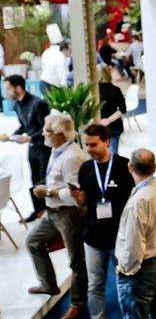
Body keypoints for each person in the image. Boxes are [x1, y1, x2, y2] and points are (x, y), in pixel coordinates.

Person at [25, 112, 88, 319]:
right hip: (53, 213)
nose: (43, 133)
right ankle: (49, 284)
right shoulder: (57, 150)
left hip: (69, 214)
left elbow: (75, 195)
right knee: (32, 241)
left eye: (48, 130)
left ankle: (78, 303)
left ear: (61, 134)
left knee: (76, 261)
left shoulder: (73, 157)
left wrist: (48, 192)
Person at [76, 124, 134, 318]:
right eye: (86, 145)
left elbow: (134, 202)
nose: (89, 149)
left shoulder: (124, 166)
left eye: (93, 145)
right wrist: (79, 200)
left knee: (127, 281)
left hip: (120, 237)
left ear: (107, 141)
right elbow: (84, 205)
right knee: (95, 285)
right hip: (93, 238)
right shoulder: (85, 168)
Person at [115, 149, 156, 319]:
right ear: (155, 166)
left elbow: (133, 242)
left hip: (145, 267)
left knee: (137, 314)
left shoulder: (139, 201)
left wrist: (127, 270)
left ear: (130, 167)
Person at [0, 75, 51, 222]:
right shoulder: (17, 105)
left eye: (8, 89)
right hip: (32, 148)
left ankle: (49, 213)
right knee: (34, 179)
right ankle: (38, 211)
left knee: (44, 180)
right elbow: (24, 125)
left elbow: (45, 128)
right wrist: (11, 136)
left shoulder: (38, 104)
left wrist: (30, 138)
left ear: (18, 88)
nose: (6, 92)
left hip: (44, 147)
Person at [98, 65, 126, 154]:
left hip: (101, 126)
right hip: (114, 126)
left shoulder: (94, 91)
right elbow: (122, 110)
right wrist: (108, 120)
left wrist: (104, 121)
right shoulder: (115, 90)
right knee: (113, 153)